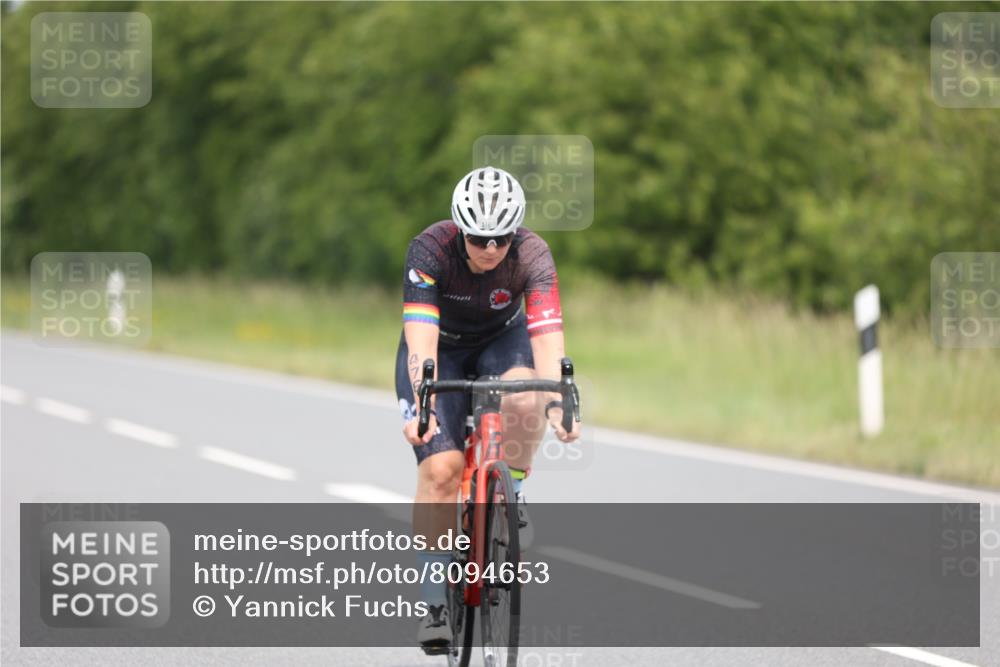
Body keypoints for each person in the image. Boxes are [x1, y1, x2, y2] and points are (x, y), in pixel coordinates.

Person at [395, 166, 581, 649]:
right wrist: (422, 403)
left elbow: (546, 337)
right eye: (480, 238)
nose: (491, 249)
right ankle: (435, 600)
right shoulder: (430, 249)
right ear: (461, 229)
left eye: (501, 237)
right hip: (443, 347)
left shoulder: (533, 253)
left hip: (503, 340)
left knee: (527, 395)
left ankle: (511, 491)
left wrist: (560, 403)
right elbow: (421, 340)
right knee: (442, 470)